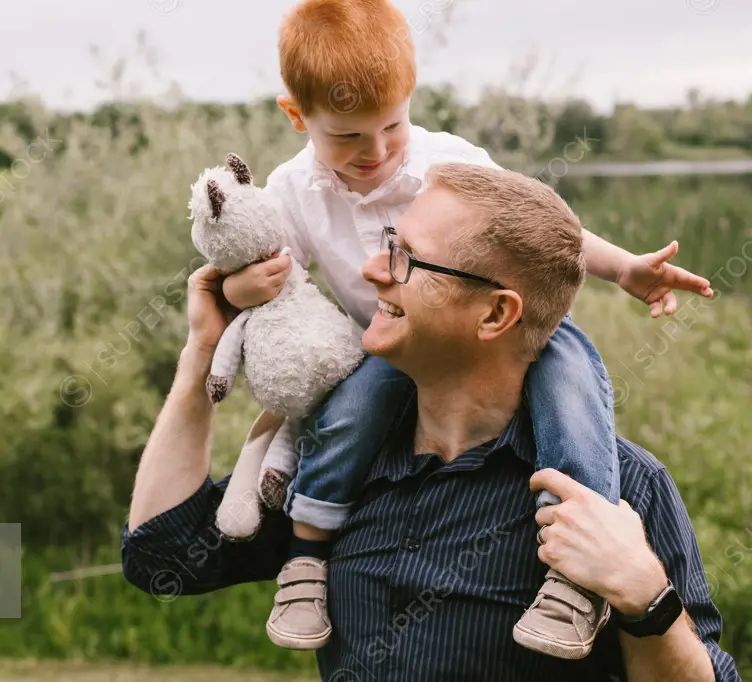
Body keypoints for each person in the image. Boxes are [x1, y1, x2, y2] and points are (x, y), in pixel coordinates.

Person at [214, 0, 715, 656]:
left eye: (392, 126)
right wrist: (236, 288)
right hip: (394, 345)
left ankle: (574, 569)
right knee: (346, 415)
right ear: (296, 115)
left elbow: (543, 235)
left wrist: (623, 269)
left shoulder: (446, 161)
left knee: (572, 391)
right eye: (349, 137)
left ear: (411, 99)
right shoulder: (293, 190)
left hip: (500, 330)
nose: (377, 152)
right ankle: (308, 557)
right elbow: (254, 266)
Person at [121, 163, 739, 681]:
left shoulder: (620, 493)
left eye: (406, 260)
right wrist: (202, 350)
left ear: (495, 314)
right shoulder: (336, 458)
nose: (371, 271)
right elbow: (162, 556)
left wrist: (646, 599)